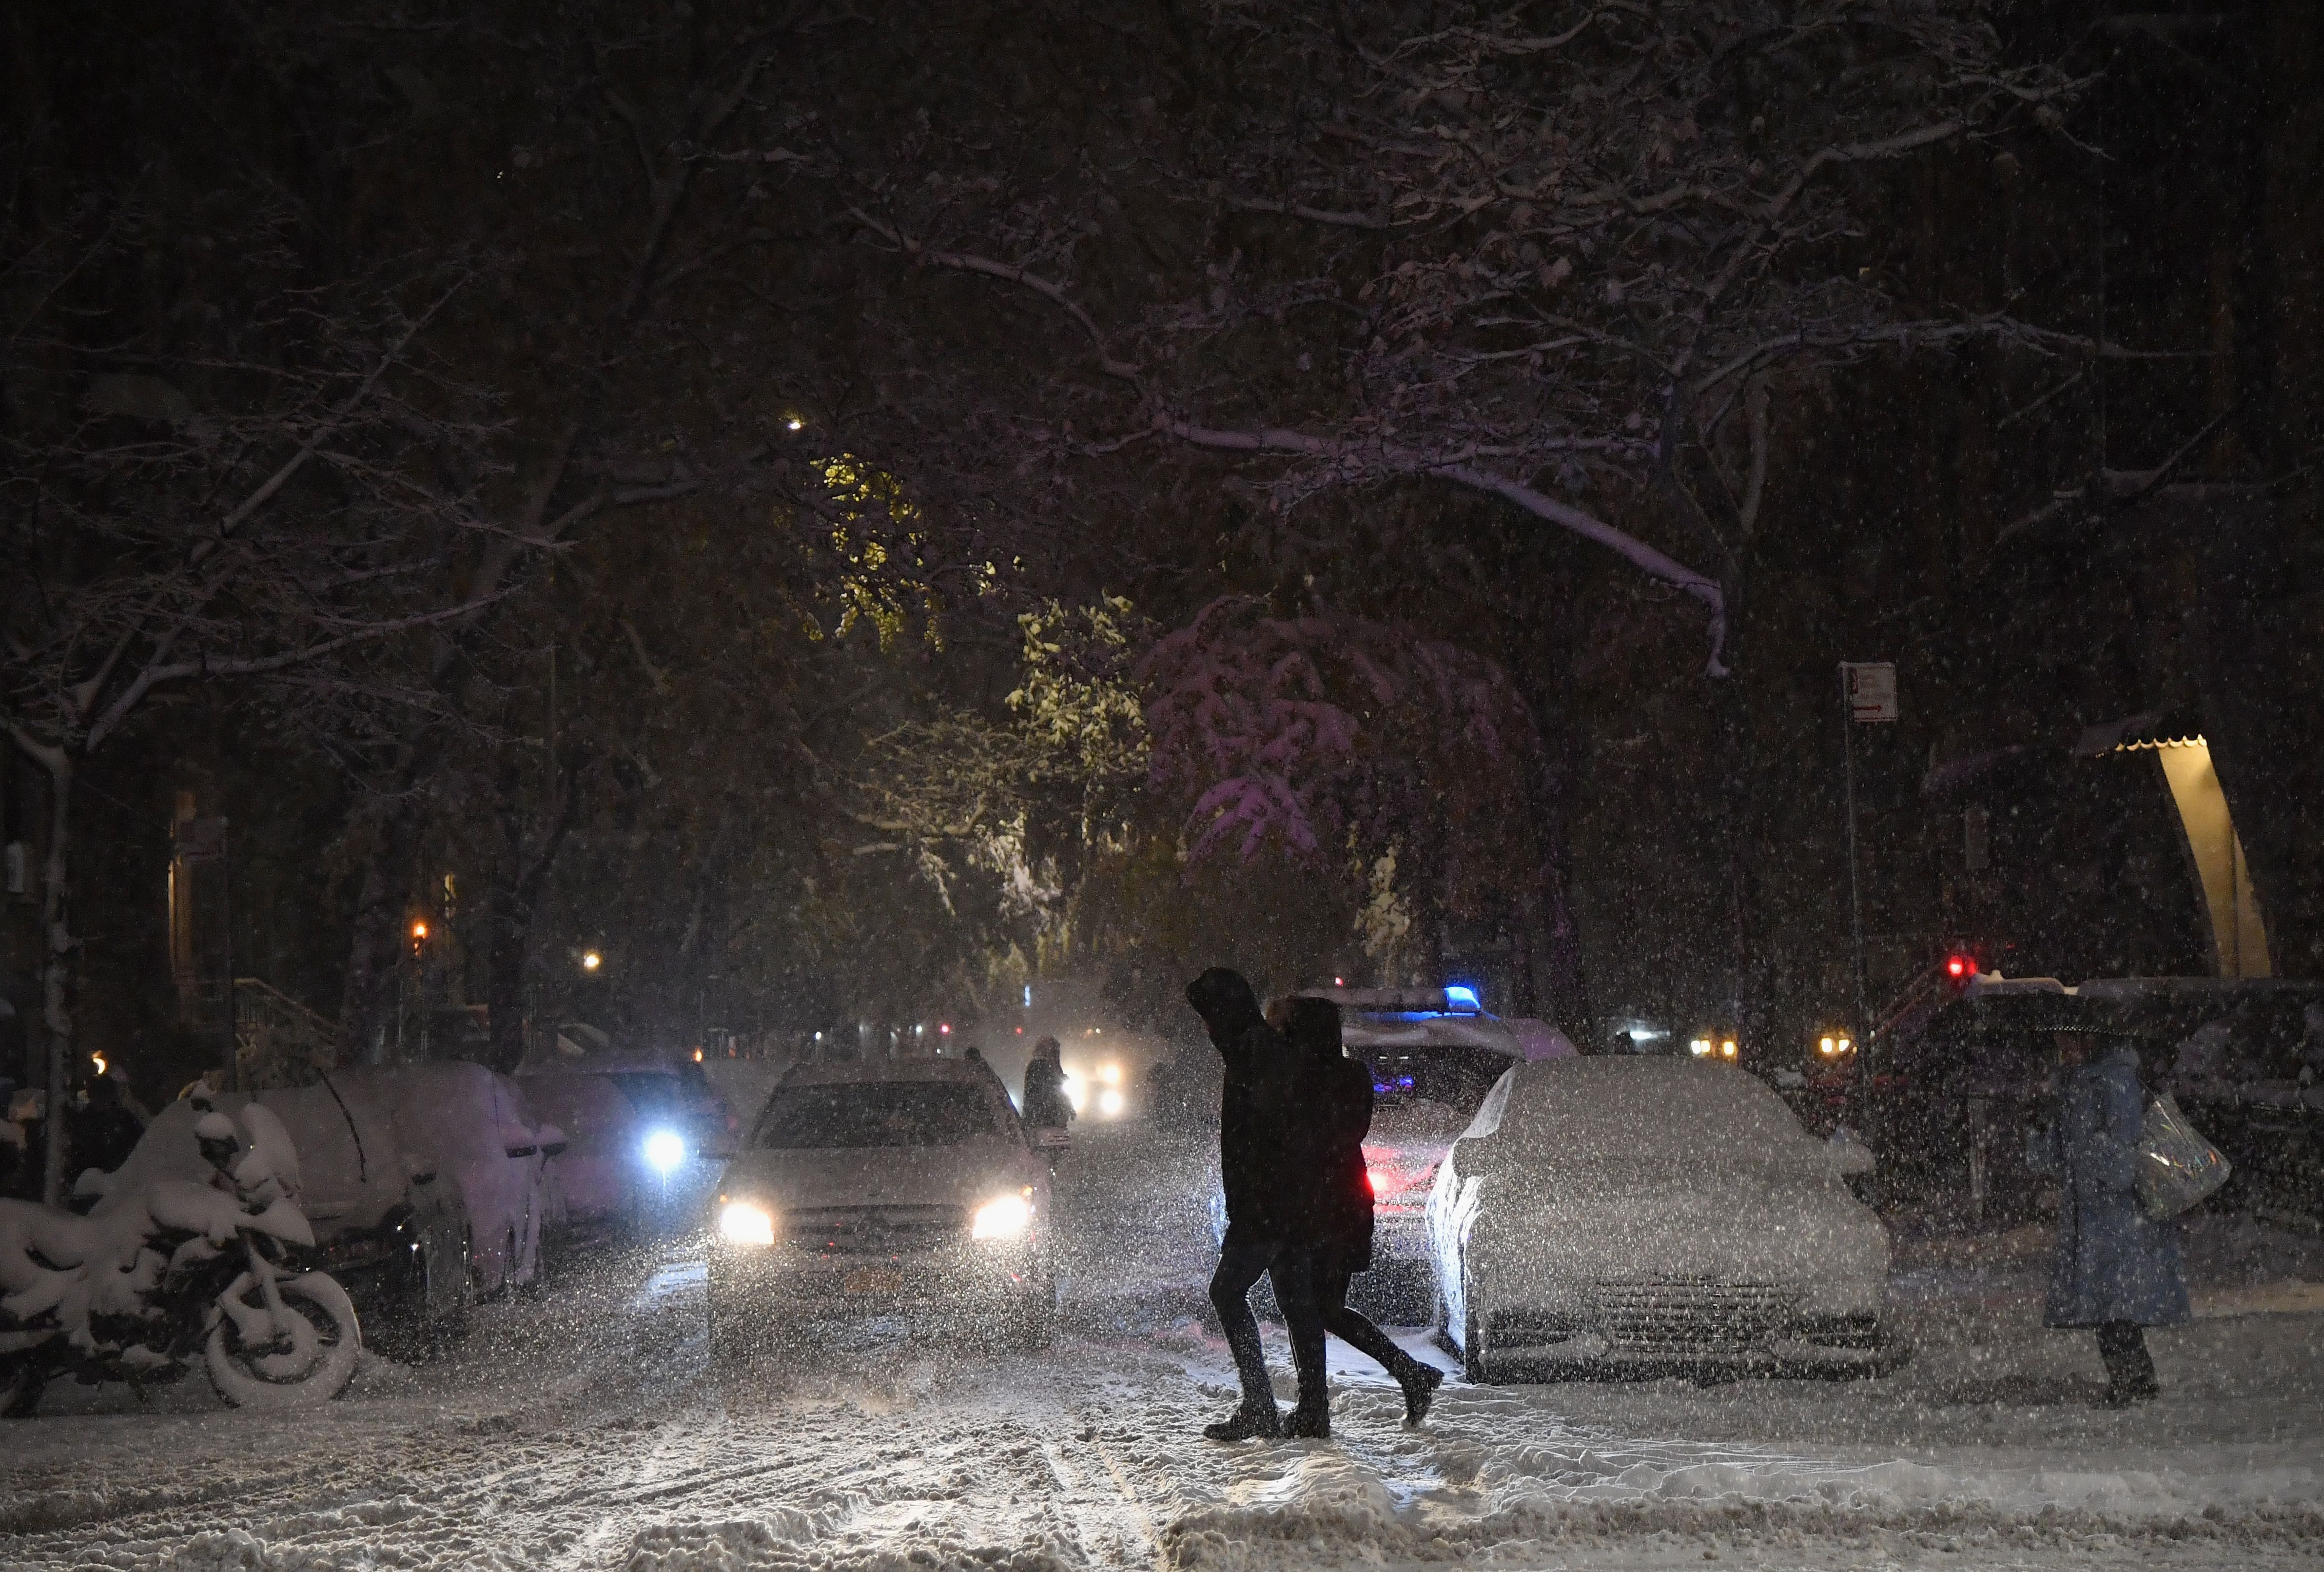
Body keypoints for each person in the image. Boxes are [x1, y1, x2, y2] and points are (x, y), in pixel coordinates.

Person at [1284, 996, 1444, 1431]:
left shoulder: (1303, 1078)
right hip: (1347, 1203)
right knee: (1327, 1306)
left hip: (1320, 1206)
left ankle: (1320, 1404)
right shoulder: (1351, 1075)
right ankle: (1408, 1374)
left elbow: (1308, 1136)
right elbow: (1346, 1132)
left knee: (1316, 1307)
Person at [1185, 967, 1327, 1441]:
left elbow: (1267, 1139)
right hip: (1288, 1204)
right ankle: (1312, 1410)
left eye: (1208, 1017)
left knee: (1227, 1292)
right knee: (1297, 1302)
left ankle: (1263, 1405)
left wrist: (1255, 1211)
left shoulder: (1254, 1054)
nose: (1206, 1028)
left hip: (1269, 1207)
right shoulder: (1257, 1050)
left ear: (1225, 1012)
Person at [2028, 1027, 2189, 1407]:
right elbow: (2049, 1160)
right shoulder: (2072, 1085)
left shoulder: (2115, 1081)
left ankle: (2133, 1382)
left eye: (2066, 1039)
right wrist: (2040, 1124)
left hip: (2121, 1220)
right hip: (2092, 1219)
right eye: (2056, 1040)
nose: (2059, 1048)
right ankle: (2133, 1381)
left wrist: (2086, 1147)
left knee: (2115, 1307)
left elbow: (2122, 1162)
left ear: (2087, 1038)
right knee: (2108, 1309)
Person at [1021, 1036, 1074, 1132]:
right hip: (1044, 1119)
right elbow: (1050, 1088)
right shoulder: (1039, 1066)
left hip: (1047, 1119)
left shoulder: (1049, 1066)